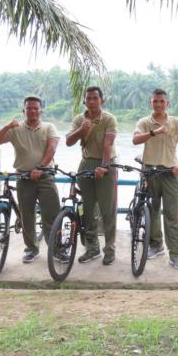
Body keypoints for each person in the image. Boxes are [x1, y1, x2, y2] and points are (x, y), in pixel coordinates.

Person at [0, 96, 61, 263]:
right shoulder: (16, 129)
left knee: (51, 214)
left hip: (45, 176)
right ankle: (31, 248)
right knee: (26, 216)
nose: (33, 111)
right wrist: (7, 126)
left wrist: (40, 168)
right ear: (24, 111)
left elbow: (51, 149)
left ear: (41, 110)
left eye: (36, 108)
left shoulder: (49, 127)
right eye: (29, 108)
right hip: (23, 177)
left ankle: (57, 249)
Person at [132, 88, 178, 269]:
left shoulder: (175, 123)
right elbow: (135, 140)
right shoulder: (144, 122)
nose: (158, 104)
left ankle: (175, 254)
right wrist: (154, 132)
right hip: (150, 172)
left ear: (167, 103)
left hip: (170, 173)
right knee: (152, 211)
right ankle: (156, 245)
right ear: (150, 103)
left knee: (172, 214)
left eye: (162, 101)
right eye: (155, 101)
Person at [66, 86, 118, 266]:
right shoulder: (79, 119)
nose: (92, 101)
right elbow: (69, 142)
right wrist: (81, 129)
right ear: (84, 101)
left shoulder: (109, 118)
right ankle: (92, 248)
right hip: (86, 163)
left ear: (102, 100)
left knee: (107, 209)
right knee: (87, 209)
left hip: (106, 164)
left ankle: (109, 249)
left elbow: (108, 144)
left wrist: (103, 166)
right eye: (88, 98)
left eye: (95, 98)